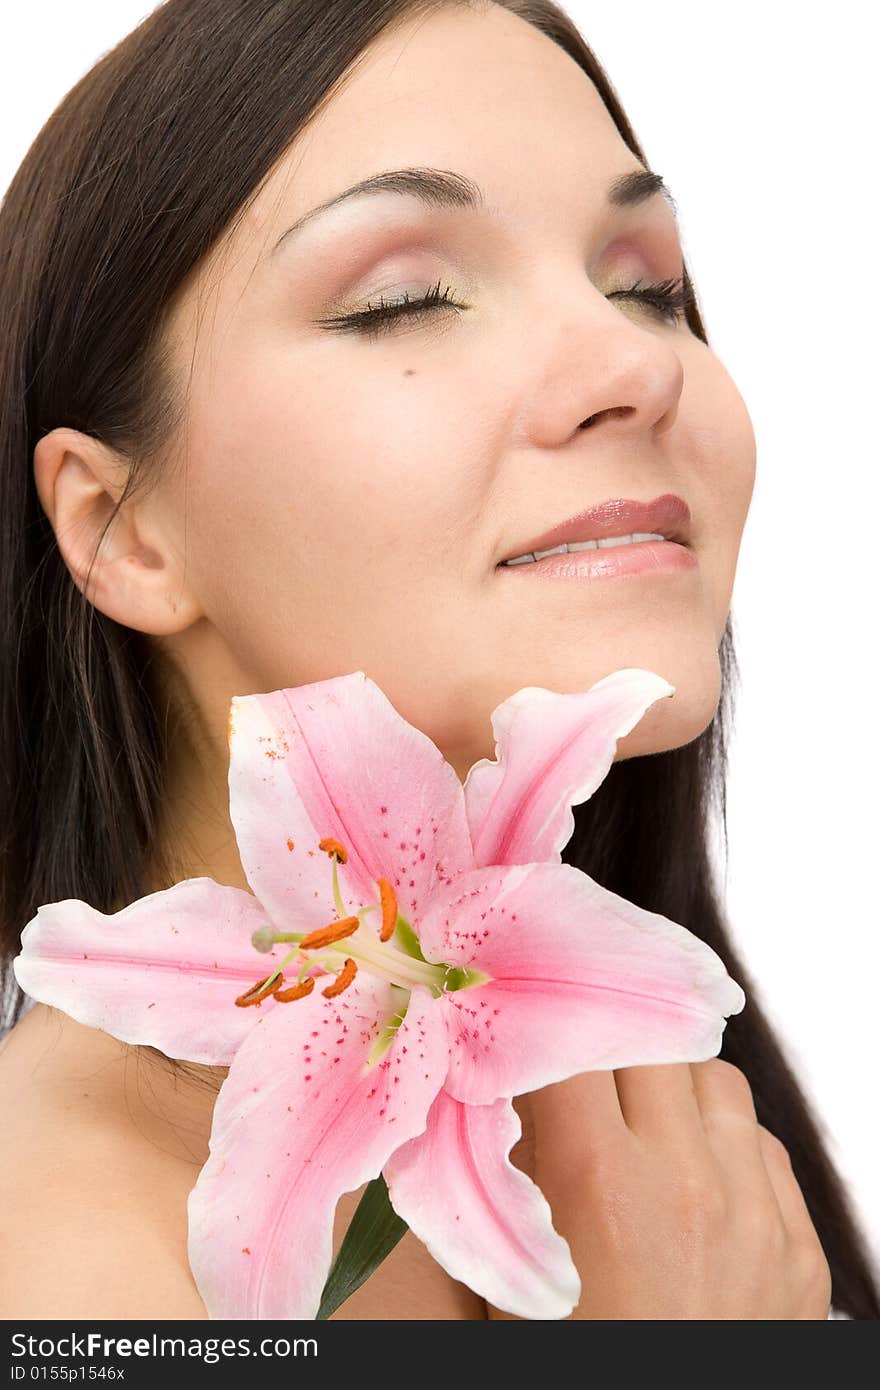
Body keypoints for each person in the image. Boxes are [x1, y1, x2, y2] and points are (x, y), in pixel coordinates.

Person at [0, 0, 875, 1320]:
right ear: (119, 529)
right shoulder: (69, 1271)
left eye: (646, 286)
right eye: (405, 298)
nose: (632, 362)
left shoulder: (645, 1135)